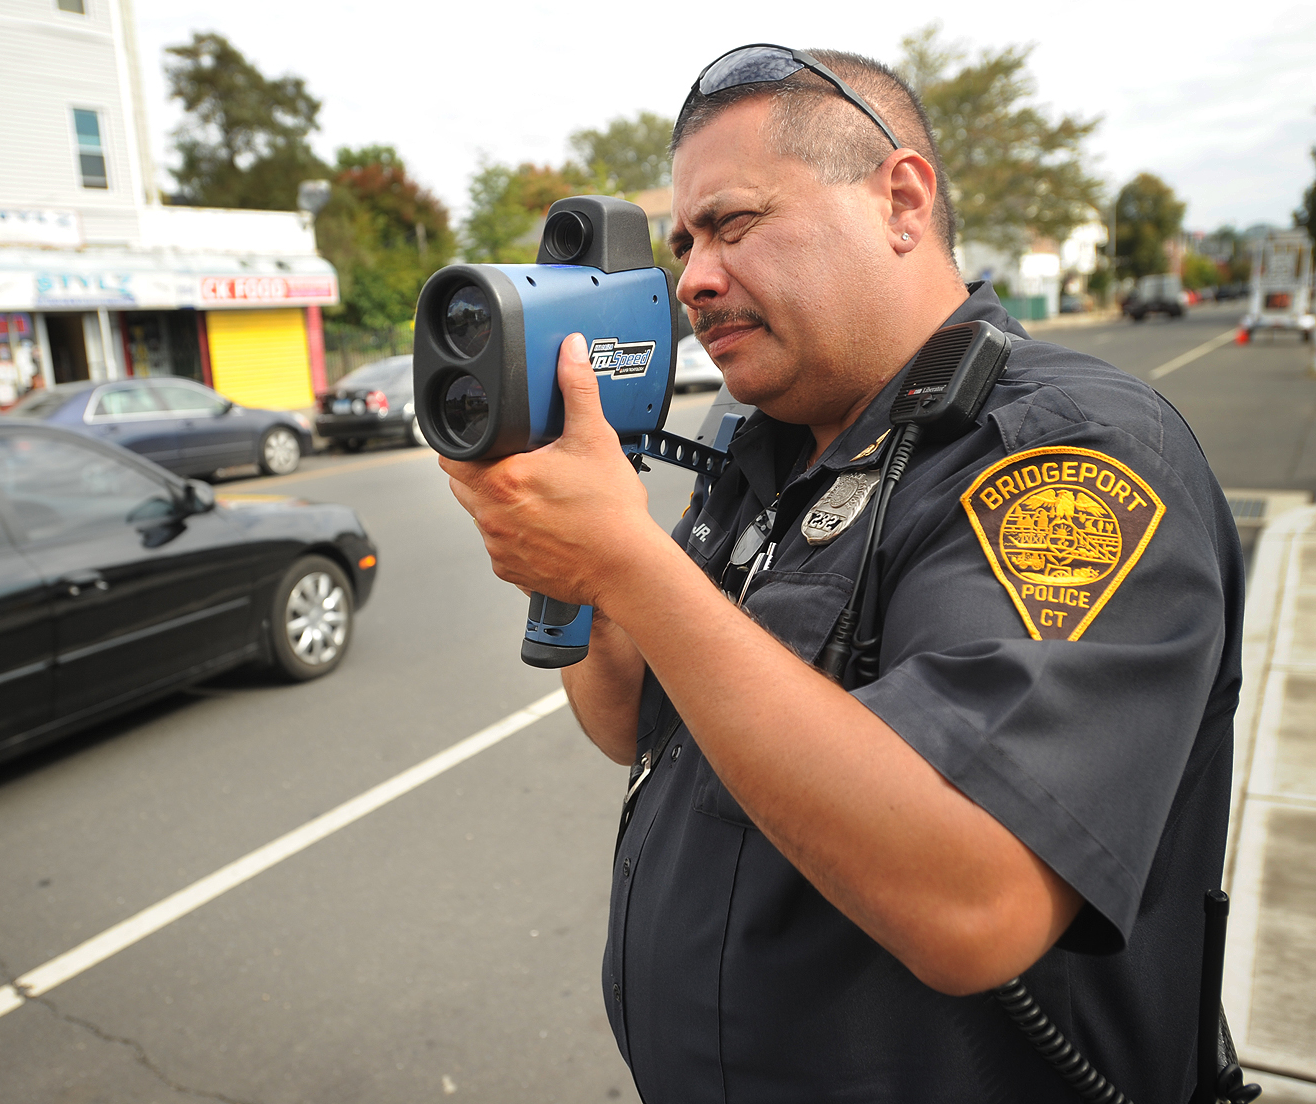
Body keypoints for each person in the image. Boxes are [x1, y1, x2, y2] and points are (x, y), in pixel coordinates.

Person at [442, 46, 1241, 1103]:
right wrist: (581, 534)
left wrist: (627, 561)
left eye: (731, 224)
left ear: (900, 201)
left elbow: (977, 903)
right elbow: (631, 718)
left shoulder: (1071, 455)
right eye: (683, 245)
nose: (692, 278)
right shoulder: (758, 444)